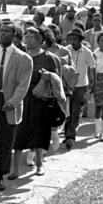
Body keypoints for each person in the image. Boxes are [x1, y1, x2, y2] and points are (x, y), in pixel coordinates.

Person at [0, 22, 33, 189]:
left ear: (14, 35)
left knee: (6, 142)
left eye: (6, 31)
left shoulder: (24, 58)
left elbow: (23, 85)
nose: (2, 34)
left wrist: (12, 102)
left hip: (9, 103)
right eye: (0, 31)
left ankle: (0, 175)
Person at [11, 27, 61, 175]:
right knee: (19, 133)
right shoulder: (20, 56)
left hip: (40, 100)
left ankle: (39, 164)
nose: (28, 38)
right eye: (27, 35)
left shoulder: (49, 58)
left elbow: (57, 80)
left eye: (33, 36)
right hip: (22, 99)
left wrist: (49, 77)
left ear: (41, 39)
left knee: (39, 132)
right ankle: (15, 170)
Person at [62, 27, 96, 150]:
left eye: (75, 39)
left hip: (81, 85)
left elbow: (93, 67)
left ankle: (71, 136)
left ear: (80, 40)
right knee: (67, 111)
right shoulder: (66, 51)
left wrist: (93, 83)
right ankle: (66, 134)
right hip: (67, 85)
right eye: (71, 39)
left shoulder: (87, 52)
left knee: (76, 111)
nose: (73, 41)